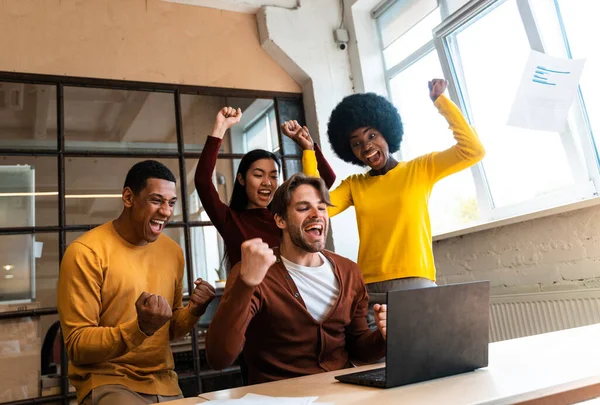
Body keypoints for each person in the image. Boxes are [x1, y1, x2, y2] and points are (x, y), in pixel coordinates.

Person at [57, 160, 216, 405]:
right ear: (128, 198)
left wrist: (194, 310)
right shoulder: (86, 252)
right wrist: (140, 328)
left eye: (171, 202)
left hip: (165, 382)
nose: (166, 211)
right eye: (156, 200)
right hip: (108, 379)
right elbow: (77, 346)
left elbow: (170, 329)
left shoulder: (172, 252)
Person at [325, 79, 486, 317]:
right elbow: (319, 208)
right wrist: (308, 151)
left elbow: (473, 150)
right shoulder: (354, 186)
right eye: (357, 143)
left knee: (424, 353)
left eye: (372, 135)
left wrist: (441, 102)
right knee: (375, 355)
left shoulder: (420, 169)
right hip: (369, 289)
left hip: (414, 282)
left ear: (387, 132)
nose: (366, 146)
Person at [205, 173, 387, 384]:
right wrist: (246, 284)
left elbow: (359, 349)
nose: (316, 215)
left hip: (340, 392)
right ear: (280, 220)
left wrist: (382, 337)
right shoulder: (253, 271)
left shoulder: (349, 271)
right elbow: (219, 358)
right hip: (279, 397)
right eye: (303, 208)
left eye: (321, 208)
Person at [194, 106, 336, 269]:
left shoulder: (284, 216)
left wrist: (308, 148)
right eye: (258, 175)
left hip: (292, 294)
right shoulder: (230, 220)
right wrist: (220, 128)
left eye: (274, 176)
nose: (267, 182)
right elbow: (202, 181)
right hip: (250, 294)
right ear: (241, 179)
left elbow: (326, 181)